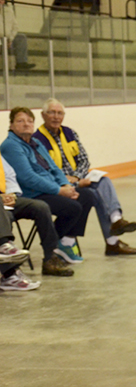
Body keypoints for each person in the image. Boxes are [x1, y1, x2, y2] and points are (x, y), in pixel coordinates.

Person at [33, 98, 136, 256]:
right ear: (43, 115)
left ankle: (116, 218)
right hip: (60, 185)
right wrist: (71, 181)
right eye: (52, 113)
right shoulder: (37, 140)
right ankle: (112, 242)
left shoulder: (70, 132)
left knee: (104, 181)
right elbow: (45, 170)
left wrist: (77, 177)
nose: (56, 117)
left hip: (78, 178)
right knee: (95, 195)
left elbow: (84, 159)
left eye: (60, 113)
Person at [1, 107, 94, 267]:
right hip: (32, 193)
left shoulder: (35, 142)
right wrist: (59, 190)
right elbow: (29, 178)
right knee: (72, 207)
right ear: (11, 125)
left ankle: (65, 241)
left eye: (30, 121)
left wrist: (66, 185)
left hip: (48, 189)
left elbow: (54, 168)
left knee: (87, 195)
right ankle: (52, 251)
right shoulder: (11, 146)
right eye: (20, 121)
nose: (26, 124)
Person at [1, 156, 73, 277]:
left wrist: (11, 194)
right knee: (6, 216)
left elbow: (9, 175)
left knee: (40, 207)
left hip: (7, 197)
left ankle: (50, 257)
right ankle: (10, 272)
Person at [0, 0, 34, 72]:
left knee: (21, 37)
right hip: (1, 36)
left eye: (2, 0)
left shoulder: (7, 9)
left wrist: (10, 38)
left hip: (6, 37)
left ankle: (21, 63)